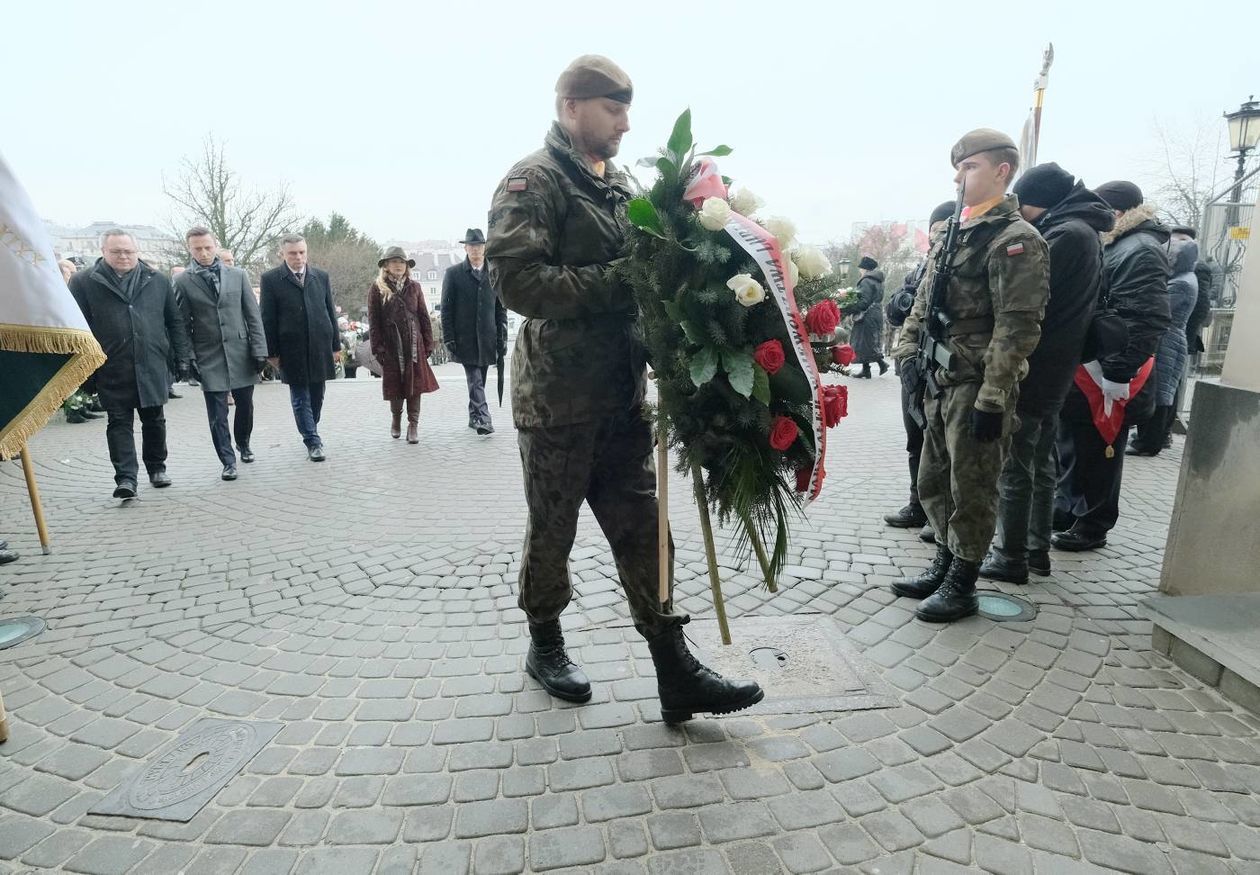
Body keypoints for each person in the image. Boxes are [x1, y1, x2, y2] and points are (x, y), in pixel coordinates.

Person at [487, 54, 762, 723]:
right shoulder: (534, 180)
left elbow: (656, 272)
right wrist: (621, 277)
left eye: (627, 109)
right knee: (553, 529)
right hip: (556, 398)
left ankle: (676, 667)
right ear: (570, 107)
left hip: (619, 392)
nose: (625, 123)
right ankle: (544, 642)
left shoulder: (622, 185)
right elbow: (516, 281)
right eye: (613, 108)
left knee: (645, 527)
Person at [890, 129, 1049, 622]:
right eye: (958, 168)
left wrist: (993, 397)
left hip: (976, 382)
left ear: (1002, 171)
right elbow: (921, 303)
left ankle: (963, 583)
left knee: (973, 486)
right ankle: (942, 561)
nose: (959, 176)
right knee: (934, 478)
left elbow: (1017, 326)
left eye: (970, 167)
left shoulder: (1015, 239)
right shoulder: (954, 232)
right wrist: (908, 356)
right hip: (938, 378)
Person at [980, 163, 1113, 584]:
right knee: (1039, 463)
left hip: (1036, 365)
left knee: (1016, 465)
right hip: (1057, 365)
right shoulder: (1084, 231)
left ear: (1039, 202)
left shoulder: (1062, 235)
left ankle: (1011, 555)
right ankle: (1035, 550)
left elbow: (1027, 296)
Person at [1053, 181, 1170, 550]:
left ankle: (1093, 522)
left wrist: (1119, 372)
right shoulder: (1120, 245)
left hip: (1111, 371)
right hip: (1091, 365)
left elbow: (1143, 317)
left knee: (1101, 450)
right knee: (1076, 443)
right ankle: (1071, 507)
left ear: (1117, 213)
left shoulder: (1141, 250)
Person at [69, 229, 191, 499]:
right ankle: (126, 478)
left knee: (154, 419)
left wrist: (182, 358)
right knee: (119, 421)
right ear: (103, 252)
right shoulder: (83, 282)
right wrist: (83, 370)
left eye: (128, 251)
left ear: (137, 252)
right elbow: (77, 328)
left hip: (151, 362)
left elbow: (175, 322)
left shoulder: (157, 280)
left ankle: (157, 468)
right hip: (111, 365)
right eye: (116, 251)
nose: (123, 256)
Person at [174, 227, 268, 480]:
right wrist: (188, 357)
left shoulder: (238, 275)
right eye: (197, 248)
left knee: (245, 405)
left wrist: (260, 350)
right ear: (189, 249)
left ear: (215, 245)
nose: (203, 253)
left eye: (207, 247)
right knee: (217, 413)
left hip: (241, 351)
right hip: (208, 354)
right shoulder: (183, 281)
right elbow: (182, 324)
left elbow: (252, 315)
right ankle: (227, 461)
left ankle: (243, 443)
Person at [884, 201, 954, 533]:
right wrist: (901, 301)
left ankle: (941, 512)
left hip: (941, 367)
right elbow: (897, 314)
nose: (936, 235)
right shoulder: (920, 268)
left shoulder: (955, 264)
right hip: (913, 366)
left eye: (943, 227)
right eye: (934, 228)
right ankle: (918, 504)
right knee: (916, 440)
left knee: (939, 442)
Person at [260, 234, 339, 461]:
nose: (298, 257)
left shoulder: (320, 277)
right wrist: (272, 352)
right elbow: (267, 318)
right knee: (300, 396)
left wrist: (335, 345)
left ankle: (310, 427)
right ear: (282, 254)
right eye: (293, 253)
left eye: (302, 252)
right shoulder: (271, 279)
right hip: (290, 348)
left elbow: (330, 312)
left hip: (319, 346)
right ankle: (312, 441)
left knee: (317, 395)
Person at [1128, 233, 1197, 456]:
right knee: (1161, 391)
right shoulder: (1184, 278)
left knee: (1160, 393)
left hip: (1168, 340)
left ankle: (1149, 442)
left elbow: (1161, 308)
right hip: (1169, 338)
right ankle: (1147, 438)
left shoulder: (1181, 283)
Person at [368, 246, 439, 443]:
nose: (398, 265)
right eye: (394, 262)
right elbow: (374, 322)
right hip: (391, 347)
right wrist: (378, 349)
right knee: (395, 387)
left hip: (415, 345)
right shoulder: (377, 289)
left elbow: (424, 316)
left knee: (415, 387)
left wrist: (428, 343)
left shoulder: (414, 287)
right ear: (386, 266)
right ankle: (396, 419)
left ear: (406, 266)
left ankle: (413, 425)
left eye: (401, 262)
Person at [442, 229, 508, 435]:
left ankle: (473, 416)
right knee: (475, 379)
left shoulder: (494, 273)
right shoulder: (453, 274)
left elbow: (501, 309)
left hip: (488, 338)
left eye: (479, 246)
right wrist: (449, 337)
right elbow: (446, 309)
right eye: (471, 246)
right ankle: (484, 419)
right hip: (465, 339)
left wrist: (502, 338)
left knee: (481, 378)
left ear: (484, 248)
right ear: (465, 248)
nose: (475, 250)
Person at [842, 256, 888, 378]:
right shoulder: (879, 281)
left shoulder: (866, 281)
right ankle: (867, 369)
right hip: (876, 313)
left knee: (863, 342)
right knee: (868, 342)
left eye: (861, 268)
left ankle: (881, 364)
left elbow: (864, 301)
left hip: (867, 315)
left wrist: (849, 307)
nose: (860, 271)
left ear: (865, 269)